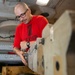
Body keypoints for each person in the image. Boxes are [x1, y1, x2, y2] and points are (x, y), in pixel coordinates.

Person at [13, 2, 48, 68]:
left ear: (29, 10)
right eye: (18, 17)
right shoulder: (19, 28)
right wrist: (19, 53)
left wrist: (28, 44)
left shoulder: (41, 20)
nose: (21, 19)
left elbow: (47, 41)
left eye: (22, 15)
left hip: (45, 60)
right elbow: (15, 47)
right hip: (32, 64)